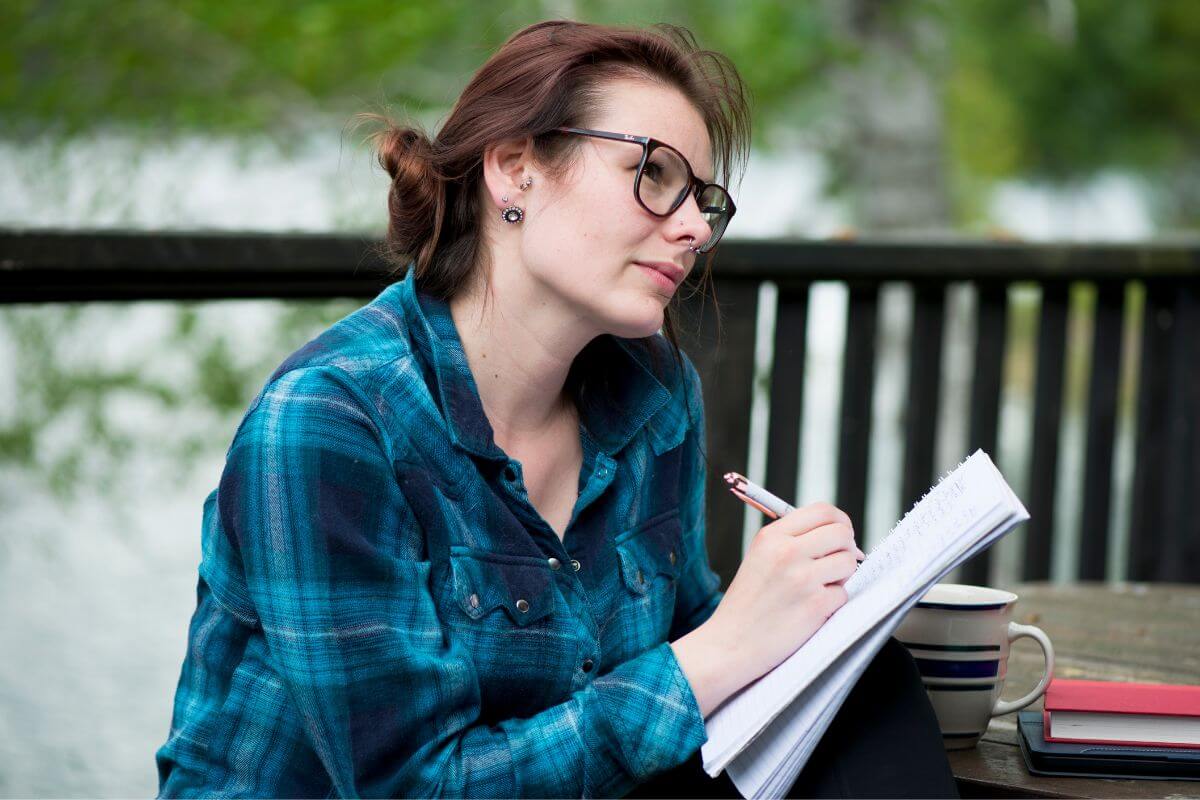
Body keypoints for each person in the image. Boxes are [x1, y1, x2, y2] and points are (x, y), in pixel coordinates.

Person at [155, 19, 957, 799]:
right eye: (654, 174)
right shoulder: (332, 422)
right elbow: (412, 786)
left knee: (867, 679)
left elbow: (686, 639)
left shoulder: (655, 394)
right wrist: (721, 651)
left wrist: (806, 611)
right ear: (514, 170)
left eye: (703, 202)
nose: (690, 230)